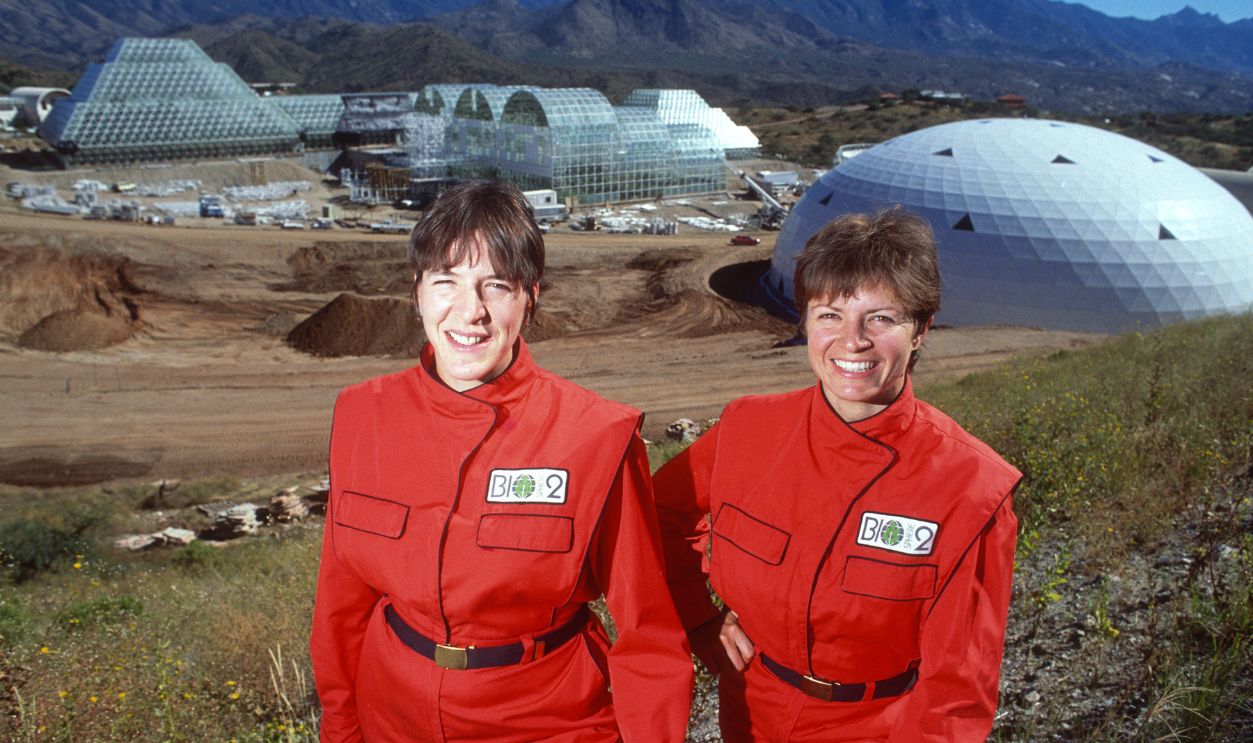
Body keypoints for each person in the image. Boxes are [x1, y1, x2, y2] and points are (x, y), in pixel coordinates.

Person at [311, 180, 693, 742]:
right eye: (447, 282)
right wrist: (342, 729)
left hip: (544, 721)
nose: (471, 313)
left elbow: (648, 636)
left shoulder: (597, 437)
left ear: (530, 299)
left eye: (497, 286)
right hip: (390, 712)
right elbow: (341, 604)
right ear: (416, 292)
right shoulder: (361, 414)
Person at [654, 207, 1021, 741]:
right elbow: (656, 520)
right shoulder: (745, 429)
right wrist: (699, 619)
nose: (853, 341)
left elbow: (955, 694)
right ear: (803, 321)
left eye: (881, 318)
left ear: (920, 329)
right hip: (751, 708)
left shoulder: (970, 489)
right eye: (829, 315)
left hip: (876, 725)